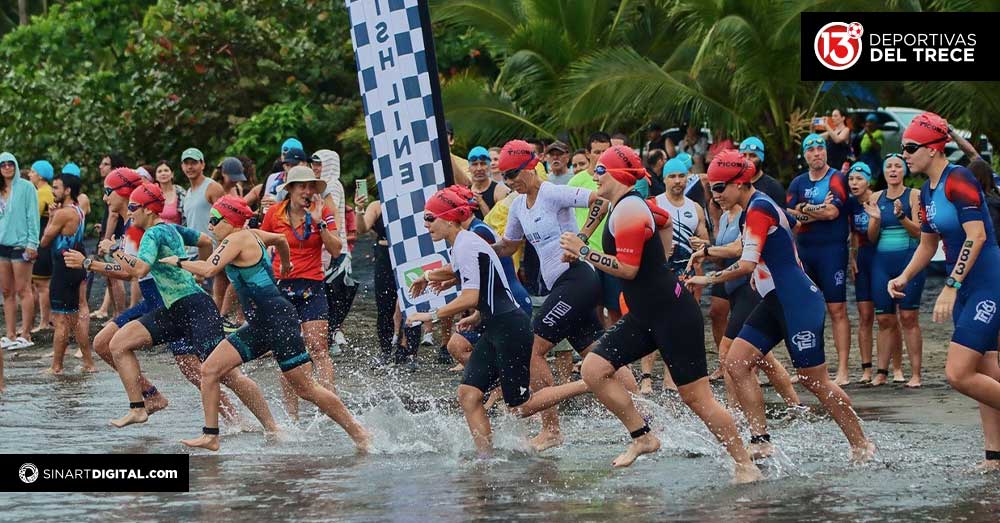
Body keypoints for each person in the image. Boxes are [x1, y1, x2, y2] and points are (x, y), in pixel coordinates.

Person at [558, 145, 763, 482]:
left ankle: (745, 464)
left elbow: (626, 269)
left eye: (599, 171)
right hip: (645, 314)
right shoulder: (629, 205)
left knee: (697, 398)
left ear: (616, 175)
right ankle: (643, 436)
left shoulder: (629, 211)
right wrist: (665, 258)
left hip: (673, 314)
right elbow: (664, 221)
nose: (595, 176)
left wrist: (584, 252)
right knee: (595, 368)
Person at [687, 150, 875, 463]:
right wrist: (707, 250)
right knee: (735, 362)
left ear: (740, 182)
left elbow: (746, 263)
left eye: (720, 187)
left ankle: (860, 444)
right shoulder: (752, 206)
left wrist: (707, 280)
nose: (715, 194)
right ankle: (760, 440)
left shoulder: (759, 208)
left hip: (798, 301)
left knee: (815, 380)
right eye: (712, 188)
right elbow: (742, 246)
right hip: (776, 300)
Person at [166, 196, 370, 452]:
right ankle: (214, 435)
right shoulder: (254, 234)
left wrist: (177, 261)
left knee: (307, 388)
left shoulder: (237, 238)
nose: (210, 226)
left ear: (230, 221)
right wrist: (285, 263)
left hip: (278, 321)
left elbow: (207, 270)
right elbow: (281, 239)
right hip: (259, 323)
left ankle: (360, 433)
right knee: (209, 370)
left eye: (214, 221)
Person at [408, 187, 589, 455]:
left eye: (430, 218)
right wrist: (431, 277)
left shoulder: (467, 243)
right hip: (496, 326)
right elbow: (485, 281)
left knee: (520, 406)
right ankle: (486, 459)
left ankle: (588, 382)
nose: (426, 225)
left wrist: (432, 316)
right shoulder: (462, 243)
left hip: (509, 328)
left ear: (448, 218)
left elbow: (472, 295)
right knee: (468, 395)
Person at [92, 181, 274, 430]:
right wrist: (200, 269)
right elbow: (204, 240)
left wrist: (113, 249)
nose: (130, 211)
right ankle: (138, 407)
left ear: (148, 210)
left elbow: (140, 269)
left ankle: (273, 427)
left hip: (196, 308)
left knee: (228, 375)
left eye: (134, 206)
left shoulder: (152, 234)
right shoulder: (171, 228)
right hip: (175, 310)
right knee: (118, 343)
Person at [63, 169, 240, 421]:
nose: (104, 198)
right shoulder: (132, 225)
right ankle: (150, 395)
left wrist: (91, 264)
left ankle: (236, 420)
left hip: (166, 299)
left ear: (125, 194)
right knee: (104, 344)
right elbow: (132, 270)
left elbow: (132, 272)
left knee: (196, 369)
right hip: (154, 298)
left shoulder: (141, 228)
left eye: (107, 191)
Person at [494, 139, 635, 451]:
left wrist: (581, 239)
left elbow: (601, 200)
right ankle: (645, 419)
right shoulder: (518, 206)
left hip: (578, 279)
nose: (508, 181)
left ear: (531, 167)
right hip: (563, 287)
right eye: (503, 176)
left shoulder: (551, 192)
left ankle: (551, 429)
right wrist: (479, 251)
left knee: (531, 349)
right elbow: (508, 246)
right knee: (599, 353)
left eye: (512, 174)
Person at [890, 112, 1000, 470]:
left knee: (958, 373)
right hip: (968, 286)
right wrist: (904, 277)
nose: (904, 154)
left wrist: (951, 285)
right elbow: (927, 244)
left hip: (987, 282)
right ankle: (994, 457)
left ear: (934, 149)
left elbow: (977, 235)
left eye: (910, 147)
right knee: (985, 371)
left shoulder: (960, 179)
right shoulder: (926, 192)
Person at [261, 166, 341, 418]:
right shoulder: (275, 213)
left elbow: (337, 249)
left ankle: (331, 407)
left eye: (311, 187)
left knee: (319, 348)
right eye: (301, 186)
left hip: (312, 285)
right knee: (288, 352)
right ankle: (292, 416)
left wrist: (320, 224)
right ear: (291, 190)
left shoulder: (323, 213)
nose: (307, 191)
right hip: (281, 287)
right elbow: (261, 244)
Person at [787, 133, 853, 385]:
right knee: (808, 310)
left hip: (832, 251)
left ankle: (843, 370)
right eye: (811, 149)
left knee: (837, 309)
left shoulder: (836, 178)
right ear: (805, 155)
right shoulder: (798, 182)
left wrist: (806, 208)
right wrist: (814, 210)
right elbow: (791, 214)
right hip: (805, 250)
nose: (817, 153)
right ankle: (809, 367)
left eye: (820, 148)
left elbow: (833, 212)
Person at [867, 153, 924, 388]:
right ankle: (881, 372)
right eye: (888, 166)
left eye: (897, 166)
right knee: (884, 319)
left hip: (908, 261)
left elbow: (919, 232)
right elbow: (871, 238)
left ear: (904, 171)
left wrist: (901, 216)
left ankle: (916, 374)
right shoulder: (875, 196)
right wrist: (877, 220)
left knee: (909, 317)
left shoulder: (914, 195)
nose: (892, 170)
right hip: (882, 263)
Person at [38, 173, 95, 374]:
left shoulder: (63, 213)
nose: (53, 191)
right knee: (75, 316)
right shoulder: (78, 210)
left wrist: (52, 216)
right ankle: (89, 363)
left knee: (61, 320)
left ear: (68, 190)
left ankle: (56, 366)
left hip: (64, 267)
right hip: (76, 263)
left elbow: (45, 241)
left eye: (56, 187)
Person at [844, 162, 886, 384]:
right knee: (865, 315)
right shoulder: (851, 205)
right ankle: (866, 369)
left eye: (859, 179)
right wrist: (852, 257)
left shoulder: (879, 200)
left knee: (886, 316)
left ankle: (890, 368)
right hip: (863, 260)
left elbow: (875, 236)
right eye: (851, 179)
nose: (854, 183)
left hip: (881, 258)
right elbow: (852, 234)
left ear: (868, 181)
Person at [312, 149, 355, 353]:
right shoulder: (322, 186)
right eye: (314, 163)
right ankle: (330, 336)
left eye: (319, 164)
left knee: (332, 293)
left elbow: (331, 219)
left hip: (335, 248)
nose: (315, 167)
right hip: (329, 247)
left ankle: (330, 337)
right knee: (330, 293)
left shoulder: (331, 187)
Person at [0, 151, 39, 351]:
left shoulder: (26, 187)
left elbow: (33, 216)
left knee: (23, 289)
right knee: (6, 291)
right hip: (2, 245)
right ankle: (10, 333)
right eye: (3, 164)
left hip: (21, 244)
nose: (7, 167)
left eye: (10, 163)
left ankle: (26, 333)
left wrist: (33, 243)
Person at [29, 160, 55, 333]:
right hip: (47, 241)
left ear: (39, 174)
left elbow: (32, 217)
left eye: (32, 172)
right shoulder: (47, 191)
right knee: (41, 284)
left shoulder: (42, 193)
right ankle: (45, 319)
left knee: (42, 285)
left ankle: (44, 321)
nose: (30, 175)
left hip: (42, 241)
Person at [738, 137, 786, 206]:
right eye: (744, 155)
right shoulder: (734, 185)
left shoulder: (773, 187)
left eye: (752, 156)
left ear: (761, 159)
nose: (747, 160)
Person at [467, 146, 510, 219]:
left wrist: (481, 203)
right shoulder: (465, 192)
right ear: (469, 168)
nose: (479, 168)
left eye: (483, 164)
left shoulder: (501, 191)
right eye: (474, 164)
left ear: (489, 166)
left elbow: (498, 224)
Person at [154, 161, 185, 226]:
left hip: (177, 234)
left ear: (172, 174)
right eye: (159, 171)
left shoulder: (181, 193)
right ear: (156, 177)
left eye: (166, 170)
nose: (163, 173)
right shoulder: (152, 194)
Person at [858, 113, 884, 178]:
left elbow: (877, 147)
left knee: (871, 179)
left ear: (875, 124)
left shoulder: (878, 133)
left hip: (873, 160)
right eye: (867, 122)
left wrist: (870, 135)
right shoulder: (865, 133)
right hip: (864, 159)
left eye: (871, 122)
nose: (868, 124)